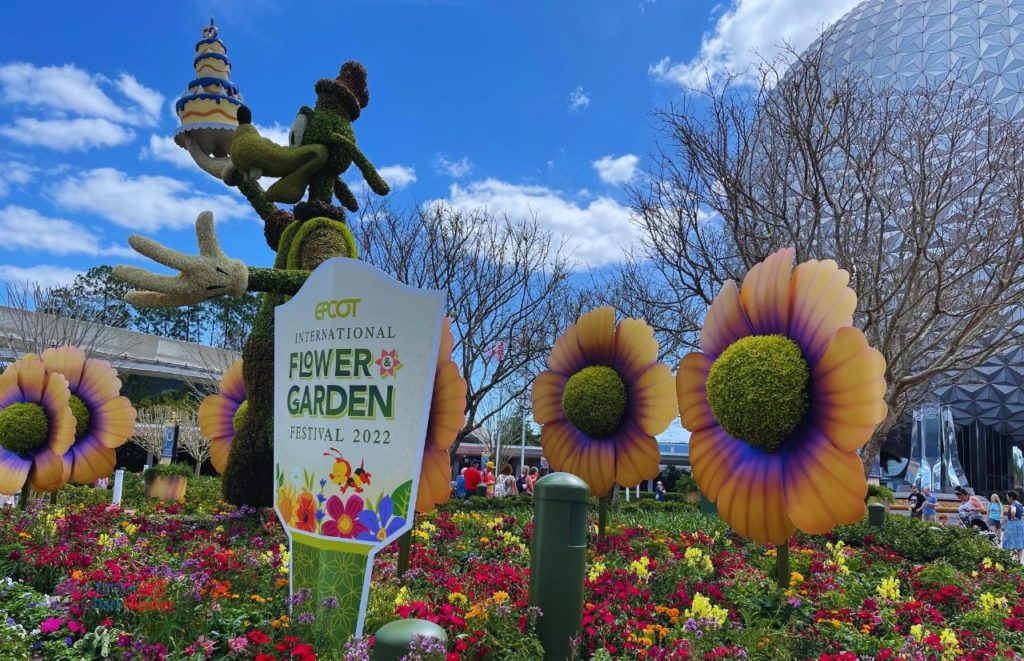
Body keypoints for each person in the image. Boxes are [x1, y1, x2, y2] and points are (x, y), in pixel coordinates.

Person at [1003, 491, 1024, 562]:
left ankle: (1007, 559)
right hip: (1020, 525)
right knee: (1019, 543)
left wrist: (1012, 517)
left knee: (1008, 541)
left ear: (1011, 497)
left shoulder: (1014, 504)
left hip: (1012, 525)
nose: (1007, 498)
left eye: (1007, 497)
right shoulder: (1020, 504)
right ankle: (1018, 560)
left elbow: (1013, 512)